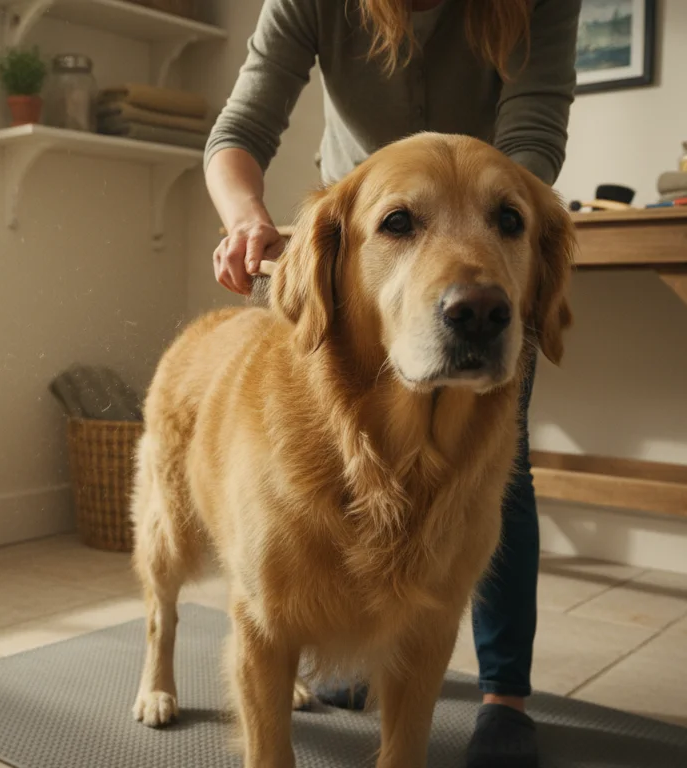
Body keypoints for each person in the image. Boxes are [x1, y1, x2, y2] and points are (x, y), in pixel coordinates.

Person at [203, 1, 580, 766]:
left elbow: (534, 130)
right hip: (362, 228)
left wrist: (510, 211)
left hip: (475, 185)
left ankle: (503, 694)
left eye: (510, 226)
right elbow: (240, 128)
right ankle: (353, 652)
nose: (473, 301)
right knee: (326, 488)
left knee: (497, 482)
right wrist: (246, 216)